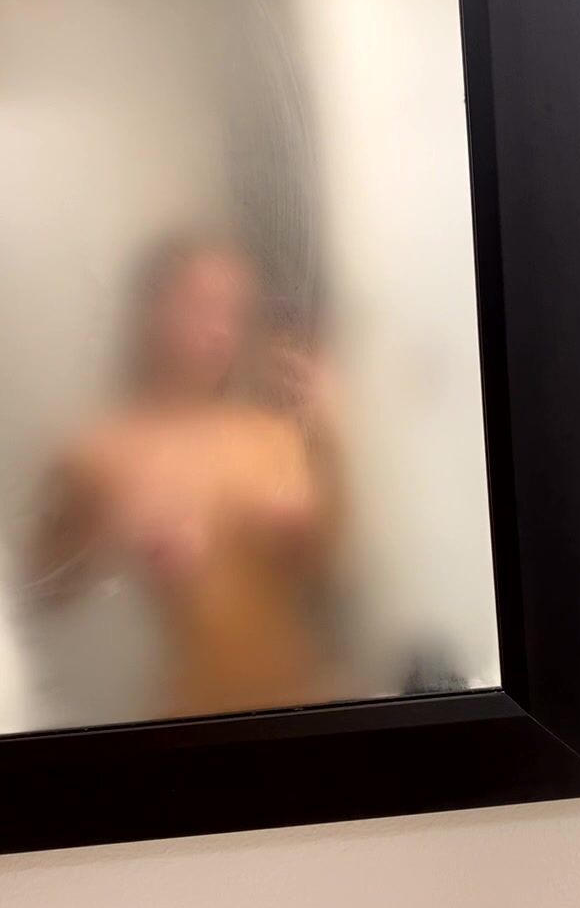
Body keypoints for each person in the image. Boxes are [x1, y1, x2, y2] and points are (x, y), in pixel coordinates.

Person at [27, 235, 343, 717]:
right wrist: (116, 544)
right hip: (188, 721)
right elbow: (37, 594)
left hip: (303, 703)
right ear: (152, 310)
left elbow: (328, 573)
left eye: (233, 312)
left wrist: (309, 515)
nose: (219, 330)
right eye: (200, 305)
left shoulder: (270, 434)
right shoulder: (102, 449)